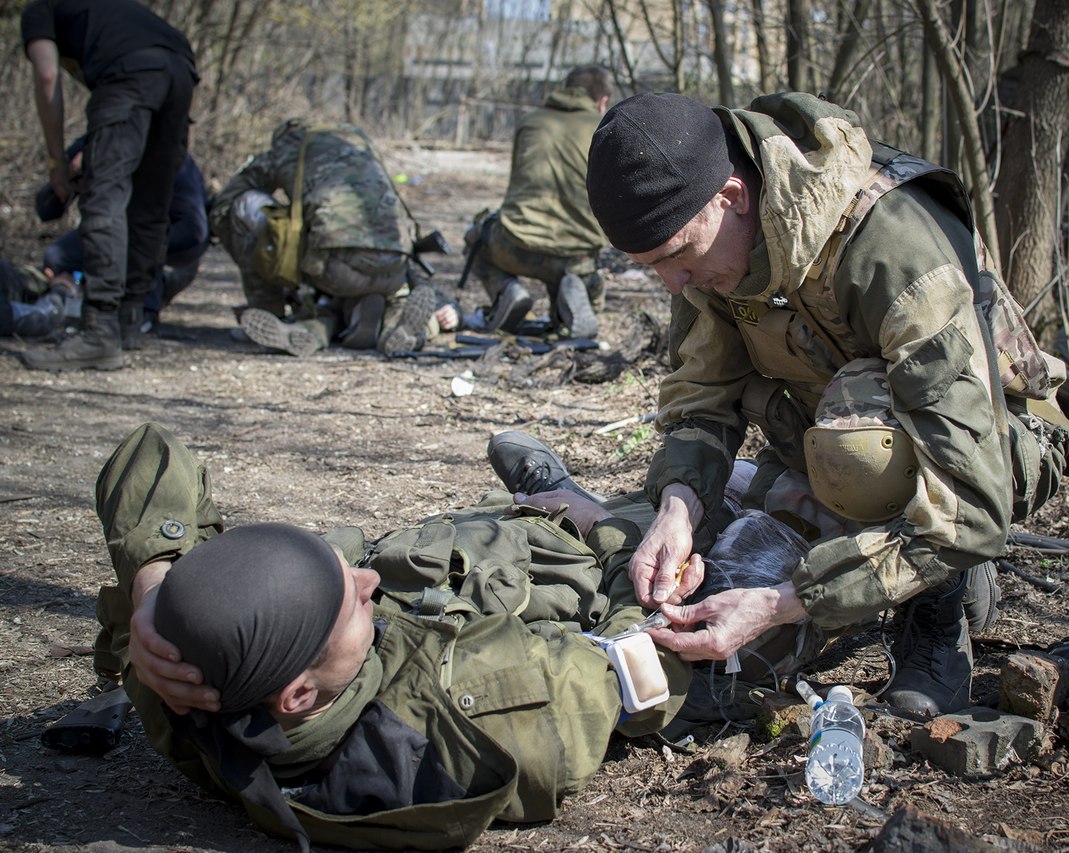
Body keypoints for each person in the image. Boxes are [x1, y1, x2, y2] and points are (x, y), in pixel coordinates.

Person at [585, 92, 1069, 716]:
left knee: (867, 449)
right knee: (846, 444)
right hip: (845, 433)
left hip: (990, 451)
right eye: (650, 267)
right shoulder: (713, 246)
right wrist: (679, 506)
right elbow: (702, 396)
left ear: (731, 196)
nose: (672, 284)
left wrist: (789, 599)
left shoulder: (895, 251)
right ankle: (903, 551)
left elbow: (973, 504)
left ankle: (936, 606)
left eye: (675, 256)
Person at [89, 423, 690, 851]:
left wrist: (155, 589)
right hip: (561, 571)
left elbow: (147, 449)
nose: (365, 581)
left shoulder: (189, 679)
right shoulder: (485, 714)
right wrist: (604, 536)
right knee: (685, 523)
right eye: (350, 601)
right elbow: (646, 660)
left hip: (457, 553)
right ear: (297, 695)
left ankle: (536, 502)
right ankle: (568, 504)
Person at [19, 0, 198, 371]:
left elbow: (47, 76)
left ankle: (100, 330)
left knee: (104, 200)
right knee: (150, 203)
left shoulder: (40, 9)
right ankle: (129, 320)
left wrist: (56, 162)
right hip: (181, 67)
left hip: (132, 72)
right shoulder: (110, 11)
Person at [208, 118, 448, 357]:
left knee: (245, 205)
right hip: (395, 265)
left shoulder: (291, 146)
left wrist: (265, 261)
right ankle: (392, 326)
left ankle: (281, 315)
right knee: (370, 284)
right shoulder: (362, 145)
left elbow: (224, 206)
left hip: (335, 267)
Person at [462, 65, 612, 339]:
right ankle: (571, 295)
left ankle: (507, 291)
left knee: (475, 240)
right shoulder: (603, 128)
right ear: (602, 101)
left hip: (516, 246)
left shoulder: (531, 122)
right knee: (574, 290)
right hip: (575, 255)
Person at [38, 142, 210, 335]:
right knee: (56, 257)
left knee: (138, 238)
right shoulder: (93, 142)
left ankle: (144, 307)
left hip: (172, 247)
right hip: (112, 233)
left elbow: (194, 233)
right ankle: (72, 296)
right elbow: (46, 210)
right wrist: (69, 175)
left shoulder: (166, 149)